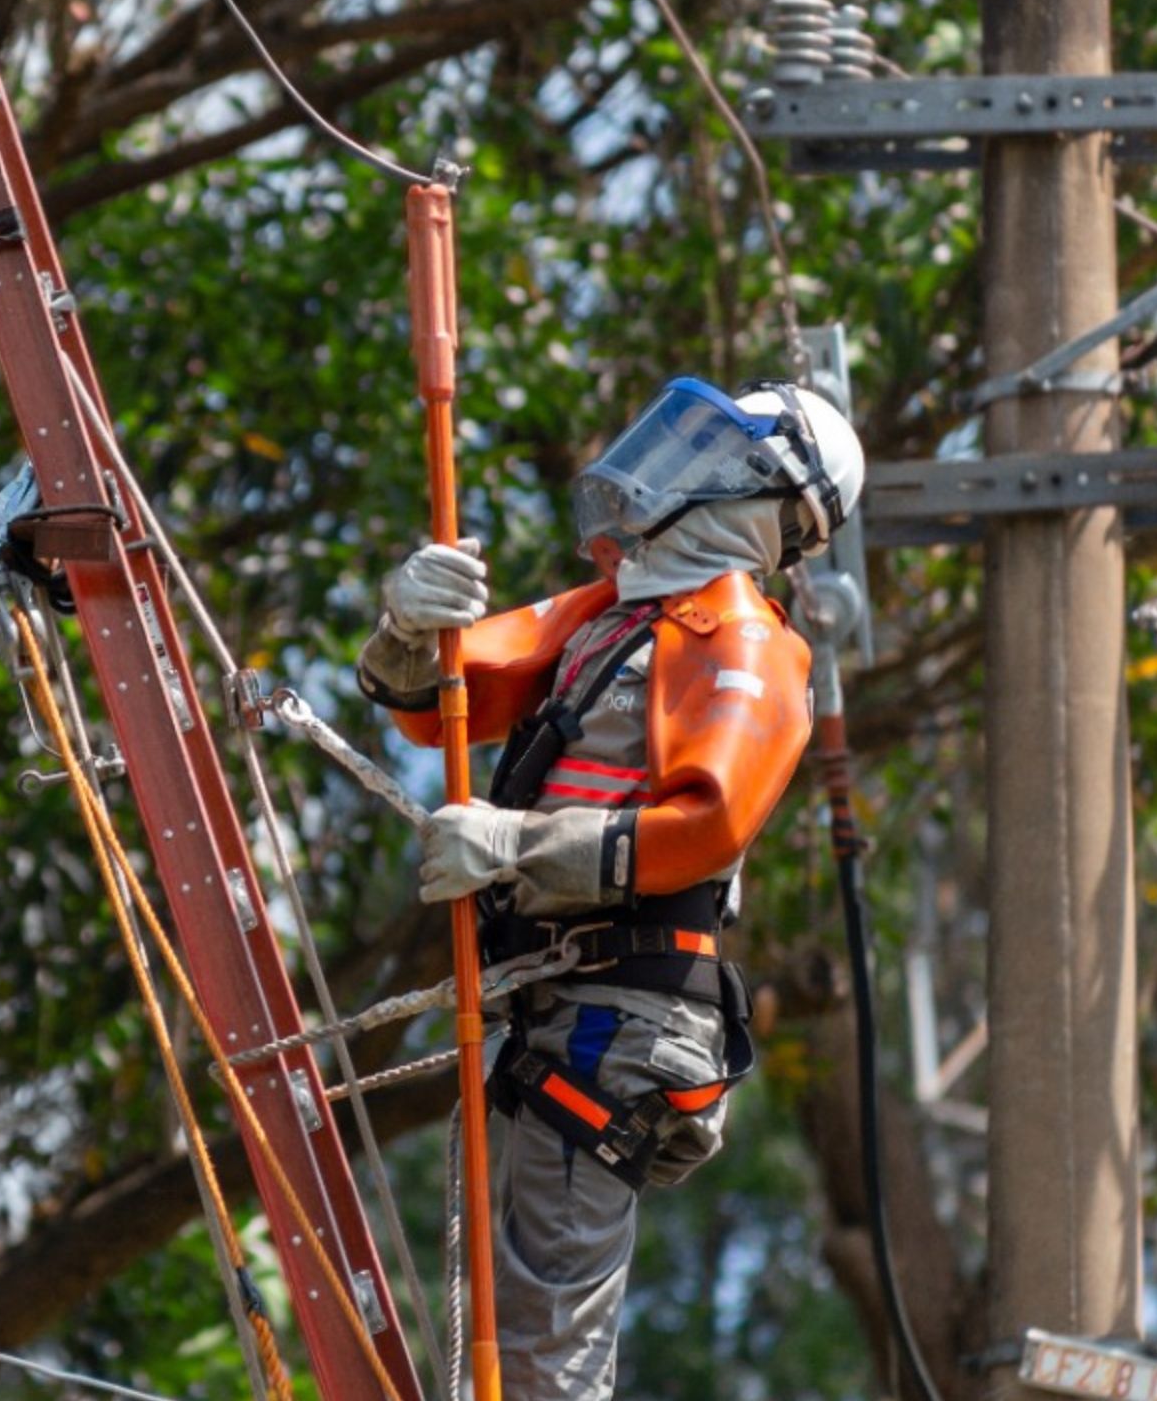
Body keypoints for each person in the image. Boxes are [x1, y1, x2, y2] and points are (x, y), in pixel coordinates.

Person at [357, 378, 865, 1398]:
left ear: (764, 498)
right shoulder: (610, 615)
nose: (671, 463)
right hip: (553, 1002)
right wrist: (406, 625)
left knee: (543, 1347)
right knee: (505, 1336)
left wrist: (515, 844)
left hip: (617, 1015)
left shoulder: (744, 641)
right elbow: (437, 699)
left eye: (708, 448)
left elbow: (704, 826)